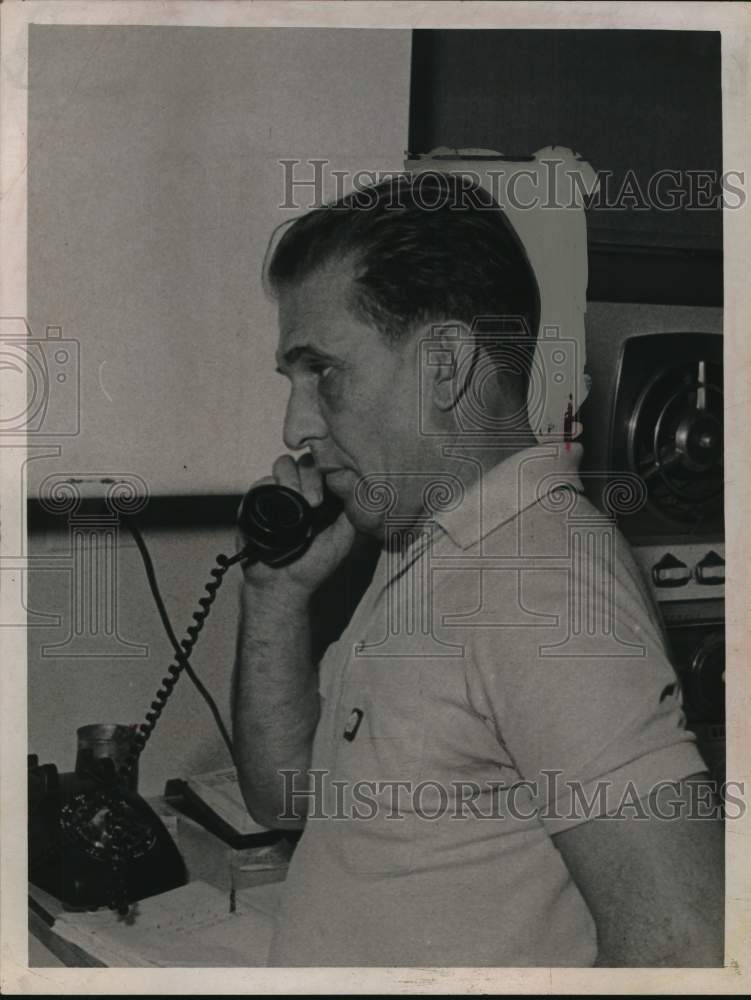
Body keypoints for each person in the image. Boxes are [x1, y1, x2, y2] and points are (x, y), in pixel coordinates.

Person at [232, 175, 723, 967]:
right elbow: (286, 795)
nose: (296, 426)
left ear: (445, 366)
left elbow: (685, 949)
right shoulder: (425, 540)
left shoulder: (542, 581)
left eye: (322, 371)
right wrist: (277, 594)